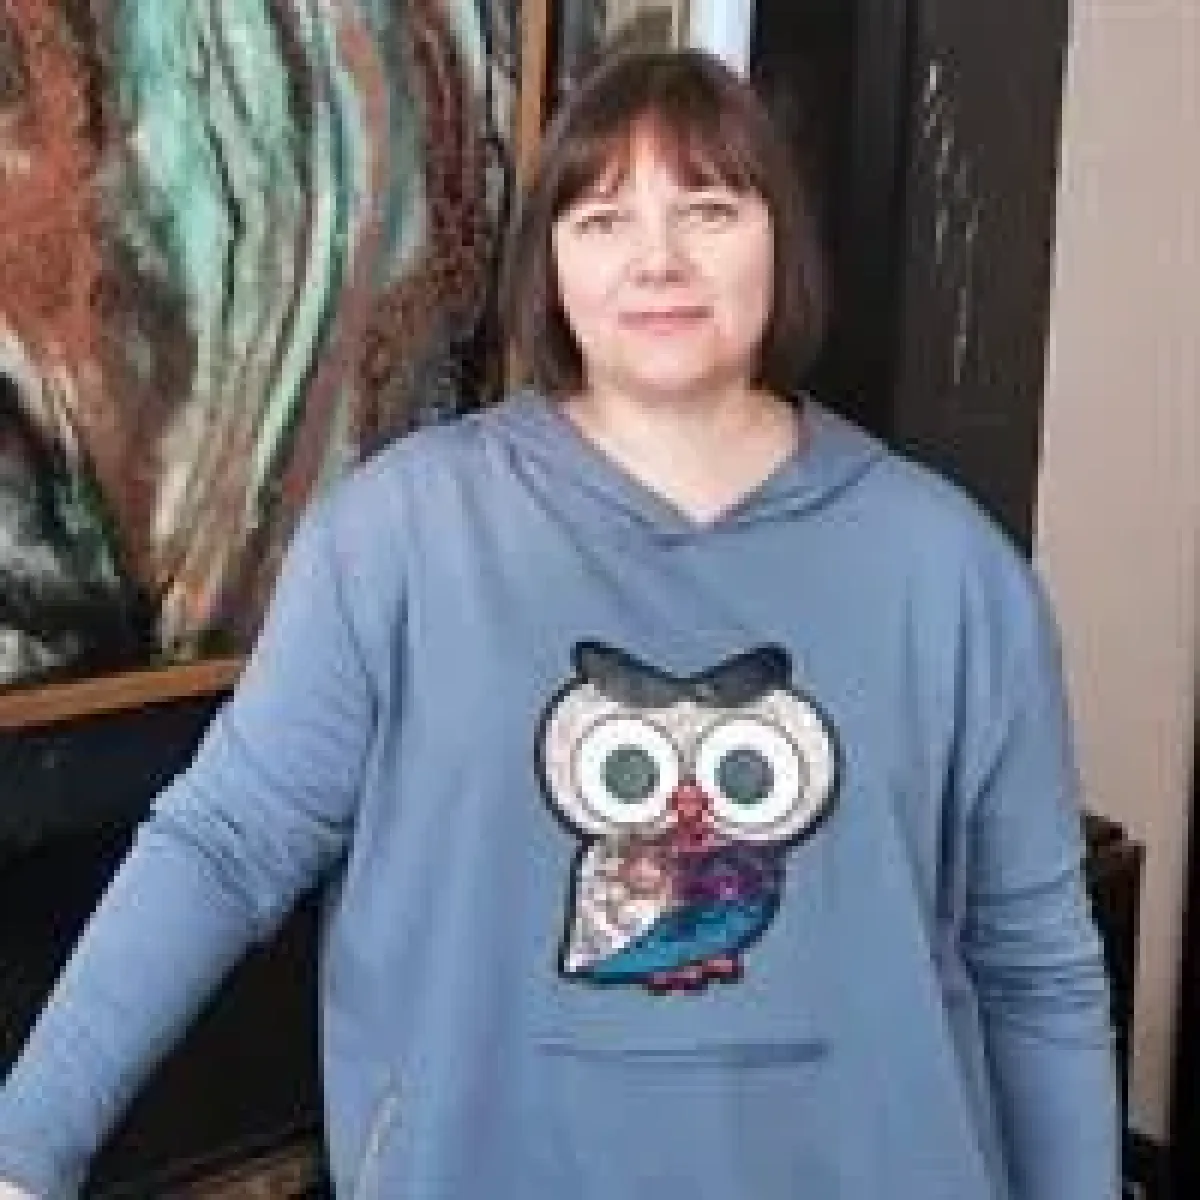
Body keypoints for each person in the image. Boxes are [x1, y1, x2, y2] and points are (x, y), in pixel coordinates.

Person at [0, 48, 1118, 1200]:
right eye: (602, 219)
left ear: (780, 242)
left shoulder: (951, 570)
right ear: (552, 265)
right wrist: (26, 1146)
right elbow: (225, 849)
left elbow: (1036, 965)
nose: (658, 259)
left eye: (708, 209)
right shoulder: (403, 535)